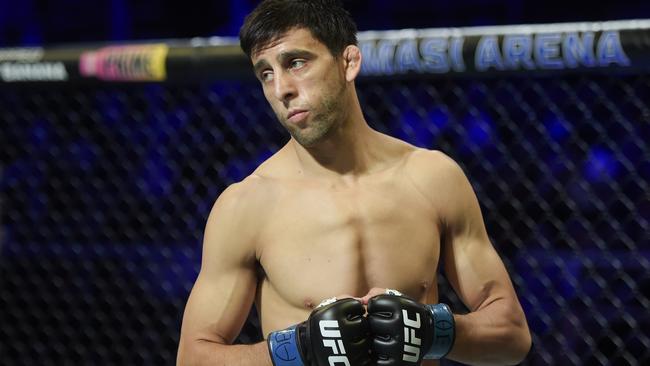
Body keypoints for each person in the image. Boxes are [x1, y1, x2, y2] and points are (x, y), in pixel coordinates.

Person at [177, 0, 532, 365]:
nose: (281, 88)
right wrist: (298, 351)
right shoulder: (246, 205)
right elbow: (193, 357)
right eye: (265, 73)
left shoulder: (433, 178)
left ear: (349, 62)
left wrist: (434, 330)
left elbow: (512, 336)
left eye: (295, 62)